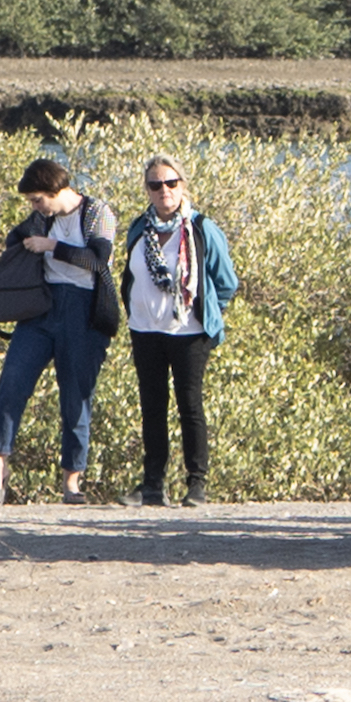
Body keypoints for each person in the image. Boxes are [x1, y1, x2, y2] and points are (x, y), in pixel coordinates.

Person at [0, 161, 120, 506]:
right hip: (41, 307)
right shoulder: (40, 218)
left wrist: (51, 247)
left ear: (55, 191)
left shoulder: (97, 212)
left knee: (76, 396)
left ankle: (72, 483)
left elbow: (98, 259)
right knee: (12, 382)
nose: (33, 206)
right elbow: (15, 240)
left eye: (36, 199)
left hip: (84, 310)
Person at [114, 155, 240, 508]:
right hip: (145, 330)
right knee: (152, 406)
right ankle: (152, 484)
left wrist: (208, 313)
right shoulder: (140, 228)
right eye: (155, 184)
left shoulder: (201, 228)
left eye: (170, 183)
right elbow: (130, 275)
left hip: (190, 333)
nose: (164, 190)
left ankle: (196, 483)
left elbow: (226, 282)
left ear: (182, 185)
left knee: (190, 404)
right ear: (147, 190)